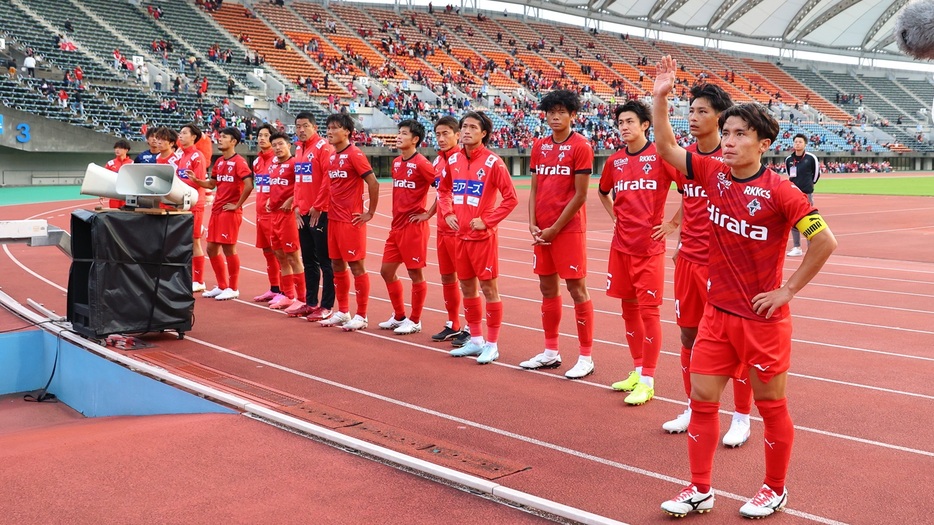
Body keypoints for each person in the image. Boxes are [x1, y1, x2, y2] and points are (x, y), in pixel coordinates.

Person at [651, 55, 837, 519]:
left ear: (763, 143)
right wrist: (659, 99)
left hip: (762, 320)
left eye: (739, 135)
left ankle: (774, 488)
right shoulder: (712, 173)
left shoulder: (782, 192)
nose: (729, 142)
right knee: (701, 400)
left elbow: (824, 241)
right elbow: (668, 149)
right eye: (727, 133)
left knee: (771, 406)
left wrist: (787, 291)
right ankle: (699, 489)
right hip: (717, 313)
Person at [657, 84, 754, 447]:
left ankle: (742, 417)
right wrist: (677, 230)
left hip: (724, 267)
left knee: (735, 345)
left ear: (721, 117)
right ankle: (693, 407)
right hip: (689, 263)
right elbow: (689, 195)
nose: (693, 118)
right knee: (688, 337)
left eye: (701, 112)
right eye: (691, 111)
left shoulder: (732, 160)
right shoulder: (689, 160)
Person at [598, 100, 677, 405]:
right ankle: (636, 370)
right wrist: (614, 217)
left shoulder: (661, 156)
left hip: (649, 247)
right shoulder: (615, 161)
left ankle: (648, 380)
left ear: (646, 125)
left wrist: (672, 223)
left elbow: (693, 188)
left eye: (630, 121)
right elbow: (603, 191)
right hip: (621, 246)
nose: (625, 127)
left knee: (649, 311)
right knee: (628, 310)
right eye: (620, 123)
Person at [519, 90, 596, 379]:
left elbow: (580, 195)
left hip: (568, 230)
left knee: (577, 290)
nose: (555, 116)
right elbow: (534, 188)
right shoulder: (539, 146)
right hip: (543, 231)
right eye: (551, 111)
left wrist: (555, 228)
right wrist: (532, 223)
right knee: (547, 289)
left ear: (572, 115)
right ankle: (551, 352)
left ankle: (586, 357)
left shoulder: (581, 146)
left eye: (562, 111)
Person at [438, 111, 518, 364]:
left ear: (483, 134)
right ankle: (475, 340)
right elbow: (444, 189)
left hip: (483, 239)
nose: (467, 131)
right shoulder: (452, 161)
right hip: (459, 236)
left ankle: (492, 345)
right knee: (467, 288)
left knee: (488, 289)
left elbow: (511, 198)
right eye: (464, 127)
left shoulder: (494, 162)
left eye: (473, 127)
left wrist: (488, 221)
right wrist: (448, 211)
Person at [316, 114, 380, 331]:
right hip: (333, 219)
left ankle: (362, 315)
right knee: (336, 264)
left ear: (347, 132)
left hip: (350, 221)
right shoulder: (332, 156)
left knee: (356, 265)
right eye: (328, 128)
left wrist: (369, 212)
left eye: (335, 128)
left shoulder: (355, 154)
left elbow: (373, 182)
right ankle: (343, 311)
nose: (330, 131)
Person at [376, 119, 436, 335]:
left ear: (415, 139)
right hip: (396, 227)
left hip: (413, 228)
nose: (398, 136)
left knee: (415, 274)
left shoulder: (422, 163)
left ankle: (416, 320)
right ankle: (399, 315)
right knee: (386, 271)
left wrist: (428, 213)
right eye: (398, 132)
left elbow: (445, 188)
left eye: (403, 133)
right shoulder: (396, 162)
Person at [192, 127, 253, 301]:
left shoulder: (239, 162)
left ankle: (233, 288)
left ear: (233, 141)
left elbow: (249, 185)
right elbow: (212, 184)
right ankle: (222, 285)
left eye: (224, 137)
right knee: (211, 248)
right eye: (220, 136)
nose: (220, 139)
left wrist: (238, 205)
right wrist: (197, 181)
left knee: (228, 248)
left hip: (229, 212)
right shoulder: (219, 162)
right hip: (217, 210)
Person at [286, 113, 335, 321]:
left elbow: (328, 179)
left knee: (325, 261)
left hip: (320, 213)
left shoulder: (324, 147)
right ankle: (310, 302)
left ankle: (327, 306)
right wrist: (296, 205)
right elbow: (299, 180)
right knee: (308, 260)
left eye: (306, 126)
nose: (301, 130)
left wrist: (319, 206)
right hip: (302, 213)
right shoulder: (298, 148)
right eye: (298, 126)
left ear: (314, 127)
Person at [426, 117, 470, 347]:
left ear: (457, 135)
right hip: (443, 229)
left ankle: (472, 328)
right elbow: (440, 193)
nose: (441, 139)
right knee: (447, 277)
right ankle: (453, 323)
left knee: (467, 280)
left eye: (446, 134)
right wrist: (429, 213)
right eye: (438, 135)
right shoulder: (437, 161)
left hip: (460, 230)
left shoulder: (463, 160)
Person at [265, 132, 303, 310]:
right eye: (274, 145)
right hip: (274, 215)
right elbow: (275, 186)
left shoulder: (295, 163)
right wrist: (268, 199)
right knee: (280, 255)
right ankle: (288, 295)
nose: (277, 148)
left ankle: (301, 298)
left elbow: (303, 185)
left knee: (293, 256)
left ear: (289, 145)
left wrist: (292, 199)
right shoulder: (273, 165)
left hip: (288, 216)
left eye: (281, 144)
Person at [250, 124, 283, 303]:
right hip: (260, 212)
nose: (262, 138)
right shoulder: (256, 162)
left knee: (280, 253)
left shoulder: (278, 160)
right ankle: (274, 288)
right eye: (259, 135)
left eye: (265, 135)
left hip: (274, 213)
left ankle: (285, 291)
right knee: (267, 252)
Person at [176, 124, 209, 292]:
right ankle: (189, 276)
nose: (180, 136)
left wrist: (178, 183)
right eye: (180, 133)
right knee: (185, 241)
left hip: (195, 204)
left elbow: (199, 181)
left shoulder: (197, 156)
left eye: (184, 133)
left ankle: (199, 280)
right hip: (183, 203)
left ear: (193, 137)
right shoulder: (182, 156)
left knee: (195, 241)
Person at [784, 134, 821, 256]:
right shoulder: (789, 159)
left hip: (806, 193)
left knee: (808, 219)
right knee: (793, 220)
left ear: (805, 144)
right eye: (795, 142)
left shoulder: (811, 158)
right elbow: (790, 174)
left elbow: (816, 174)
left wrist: (809, 185)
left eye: (800, 142)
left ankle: (811, 247)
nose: (797, 144)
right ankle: (797, 247)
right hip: (793, 194)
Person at [104, 139, 133, 209]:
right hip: (114, 195)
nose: (117, 150)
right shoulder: (110, 164)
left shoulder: (132, 163)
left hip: (127, 195)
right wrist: (102, 194)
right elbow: (104, 178)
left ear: (126, 150)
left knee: (128, 215)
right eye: (116, 148)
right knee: (114, 215)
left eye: (120, 148)